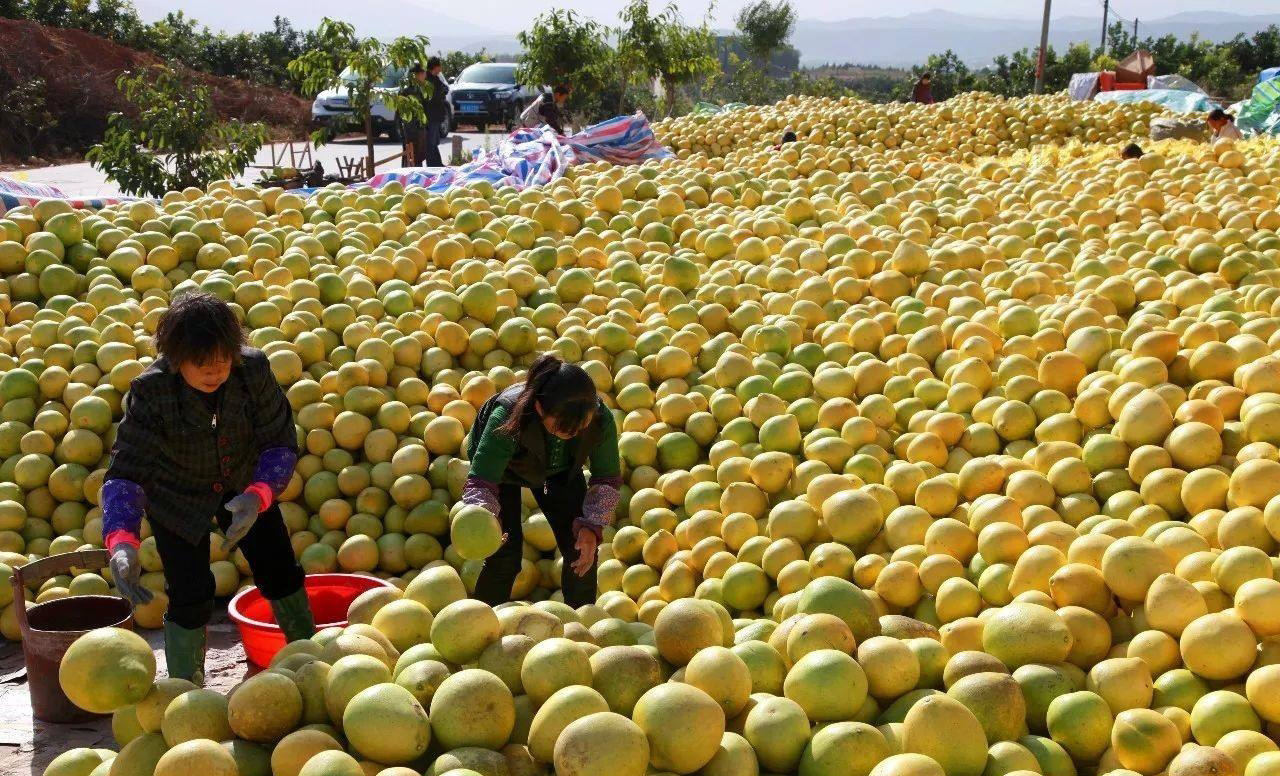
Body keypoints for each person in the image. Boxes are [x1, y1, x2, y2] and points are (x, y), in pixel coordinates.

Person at [103, 292, 311, 683]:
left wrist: (260, 493)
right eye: (201, 364)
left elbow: (280, 440)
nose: (214, 372)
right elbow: (125, 473)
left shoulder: (253, 370)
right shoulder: (151, 391)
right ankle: (187, 687)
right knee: (189, 591)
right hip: (176, 495)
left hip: (246, 483)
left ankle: (309, 657)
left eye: (222, 361)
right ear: (176, 357)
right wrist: (123, 543)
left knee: (279, 566)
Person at [463, 354, 621, 607]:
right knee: (504, 556)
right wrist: (484, 519)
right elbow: (482, 482)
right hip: (503, 473)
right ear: (539, 408)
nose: (572, 434)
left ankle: (580, 624)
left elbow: (606, 478)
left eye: (581, 426)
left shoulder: (600, 419)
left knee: (581, 549)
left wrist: (592, 526)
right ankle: (482, 623)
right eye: (563, 427)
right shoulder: (506, 417)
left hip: (561, 471)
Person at [400, 64, 430, 166]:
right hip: (412, 129)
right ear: (416, 75)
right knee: (412, 156)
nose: (425, 75)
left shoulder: (421, 88)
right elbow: (402, 113)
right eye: (422, 73)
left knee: (419, 156)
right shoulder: (408, 91)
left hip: (420, 128)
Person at [423, 57, 449, 167]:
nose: (441, 68)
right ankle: (433, 165)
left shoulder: (436, 78)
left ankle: (437, 163)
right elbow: (436, 94)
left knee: (434, 142)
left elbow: (445, 89)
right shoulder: (428, 80)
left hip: (436, 115)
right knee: (431, 142)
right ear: (436, 66)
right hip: (432, 115)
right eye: (440, 66)